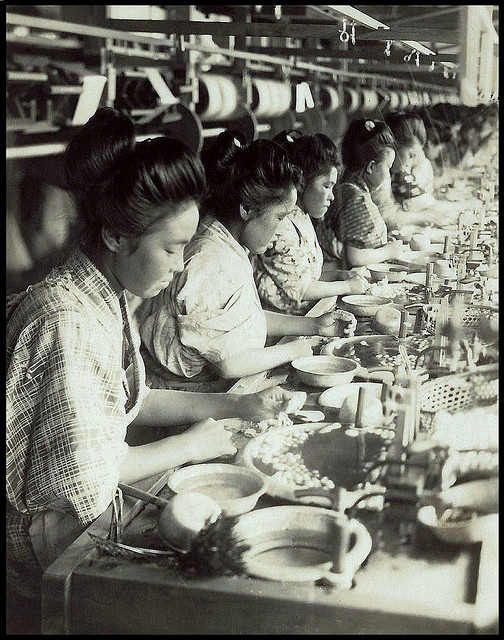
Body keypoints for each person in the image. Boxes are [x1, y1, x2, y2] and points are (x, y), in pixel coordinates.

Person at [6, 109, 299, 587]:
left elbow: (130, 401)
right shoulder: (67, 321)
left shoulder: (102, 294)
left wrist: (240, 403)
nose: (180, 264)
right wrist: (190, 444)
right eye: (171, 248)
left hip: (82, 517)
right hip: (48, 550)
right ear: (117, 237)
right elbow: (88, 479)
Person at [138, 131, 357, 387]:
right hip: (190, 396)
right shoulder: (211, 260)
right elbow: (230, 363)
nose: (280, 229)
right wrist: (295, 350)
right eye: (279, 217)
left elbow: (242, 320)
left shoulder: (228, 243)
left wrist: (313, 326)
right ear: (247, 210)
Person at [252, 131, 368, 315]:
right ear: (302, 182)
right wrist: (347, 286)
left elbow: (305, 275)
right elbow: (303, 289)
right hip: (284, 328)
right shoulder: (283, 225)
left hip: (307, 316)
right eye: (326, 186)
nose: (332, 196)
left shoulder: (303, 217)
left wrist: (339, 275)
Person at [316, 119, 404, 268]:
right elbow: (355, 257)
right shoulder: (356, 198)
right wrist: (389, 252)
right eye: (388, 167)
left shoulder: (347, 188)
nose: (389, 174)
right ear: (371, 167)